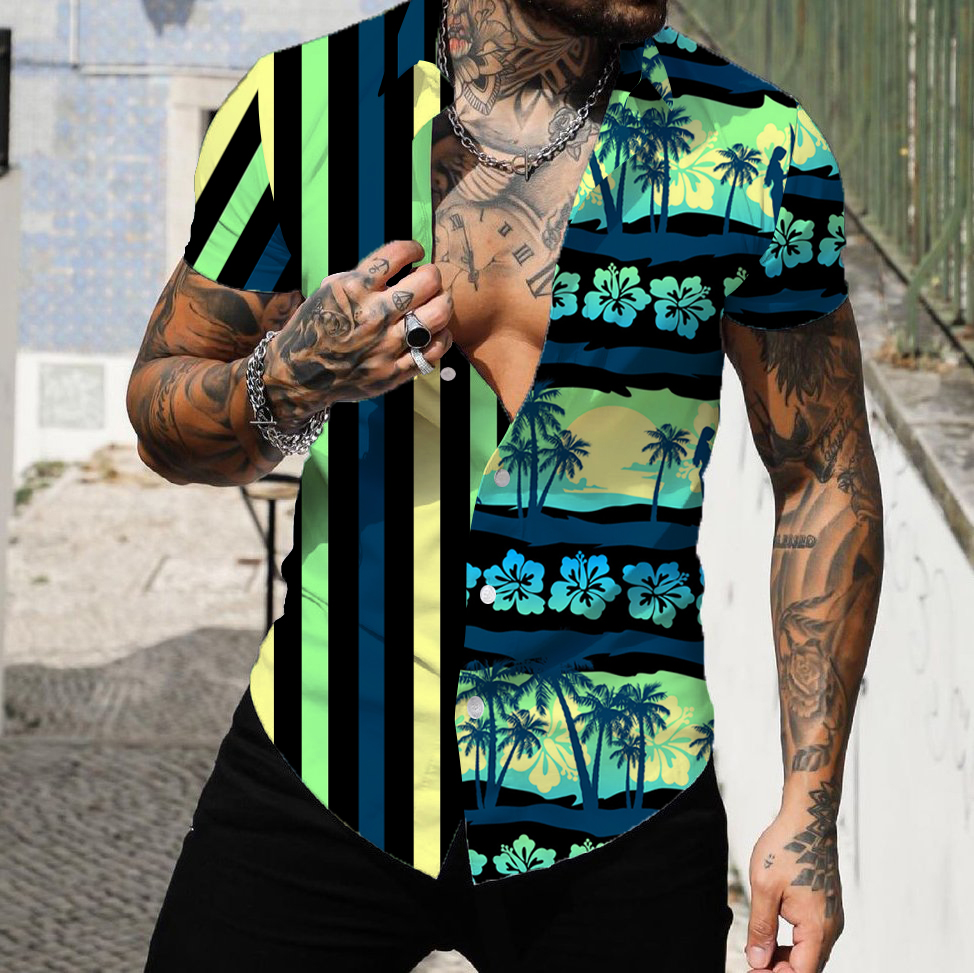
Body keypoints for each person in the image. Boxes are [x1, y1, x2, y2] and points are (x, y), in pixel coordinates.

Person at [128, 0, 883, 970]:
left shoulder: (753, 147)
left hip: (621, 786)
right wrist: (288, 379)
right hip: (331, 758)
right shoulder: (299, 107)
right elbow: (162, 410)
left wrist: (808, 808)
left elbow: (822, 471)